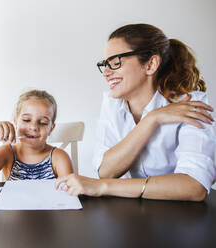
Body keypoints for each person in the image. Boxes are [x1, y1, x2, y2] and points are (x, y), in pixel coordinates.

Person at [56, 23, 216, 201]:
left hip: (184, 217)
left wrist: (103, 187)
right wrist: (152, 120)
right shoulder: (113, 103)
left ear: (151, 64)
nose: (106, 73)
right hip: (136, 214)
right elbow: (105, 171)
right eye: (105, 64)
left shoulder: (190, 104)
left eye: (116, 62)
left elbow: (194, 187)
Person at [0, 89, 73, 183]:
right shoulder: (7, 152)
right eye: (26, 120)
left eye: (43, 122)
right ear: (16, 122)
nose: (33, 127)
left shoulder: (59, 157)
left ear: (51, 128)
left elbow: (69, 193)